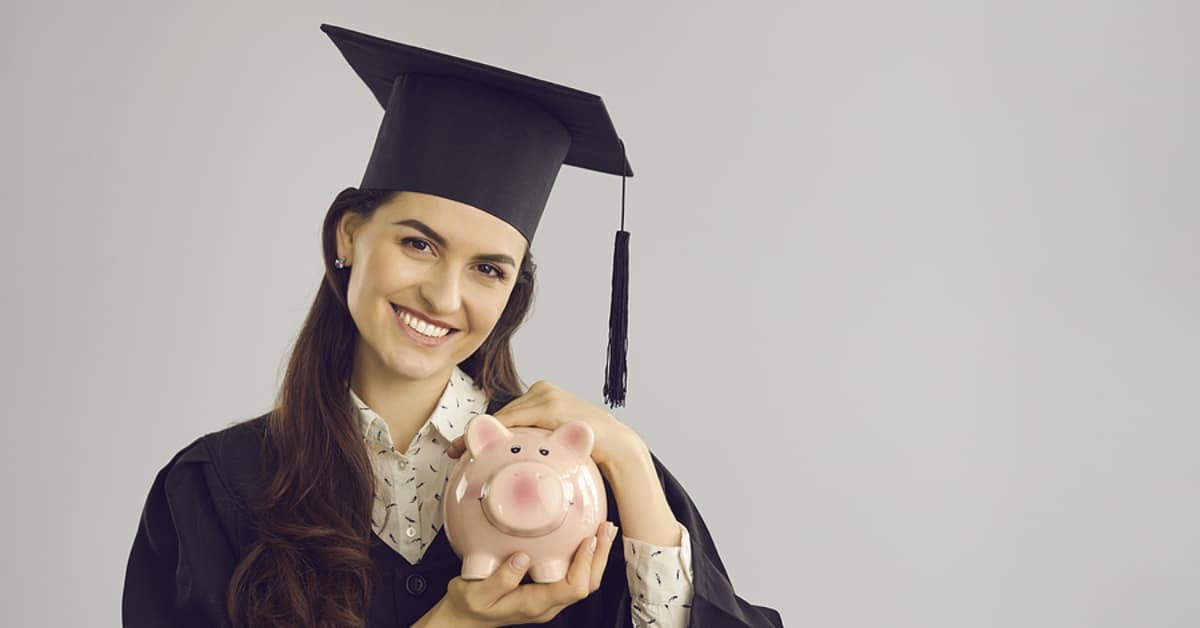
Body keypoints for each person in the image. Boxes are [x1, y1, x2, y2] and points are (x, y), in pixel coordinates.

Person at [121, 23, 783, 628]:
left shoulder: (591, 484)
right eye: (418, 245)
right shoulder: (216, 488)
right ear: (349, 234)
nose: (443, 295)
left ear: (512, 291)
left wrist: (632, 462)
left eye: (488, 270)